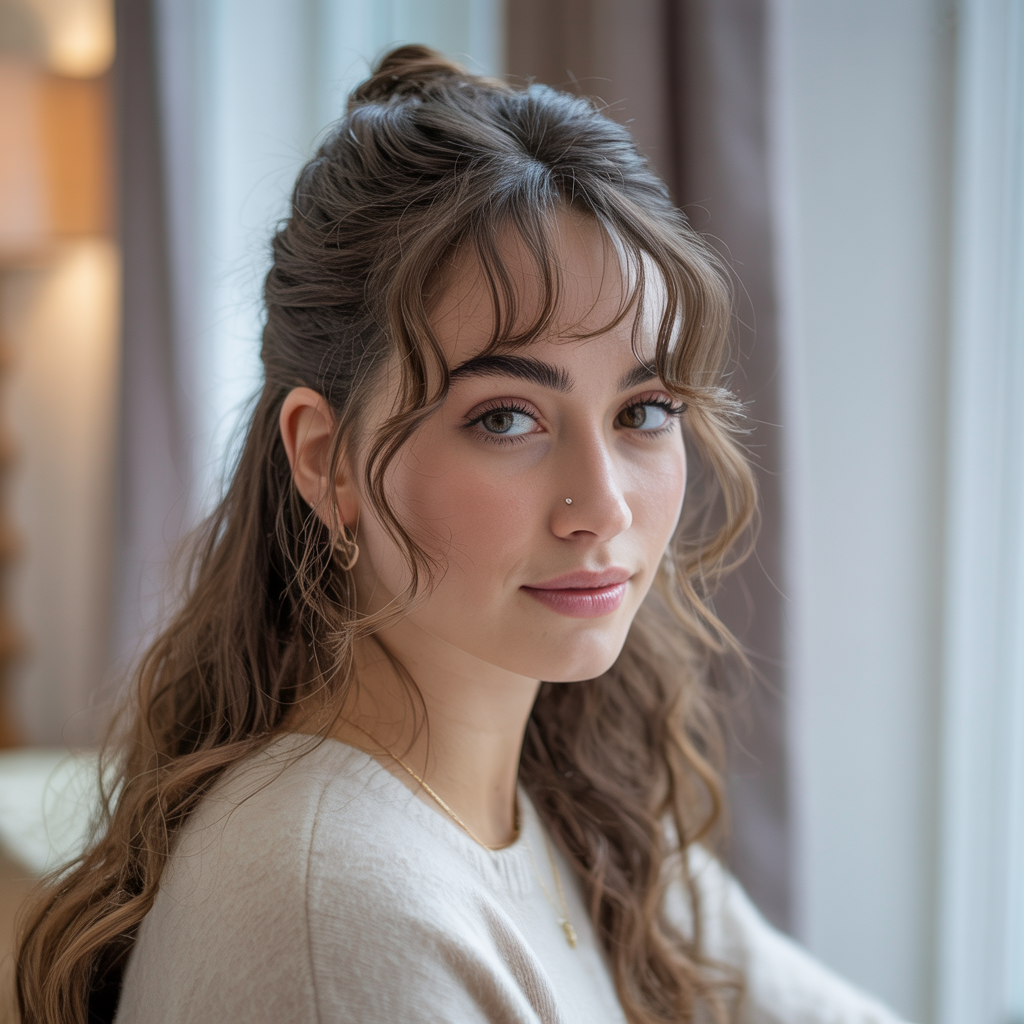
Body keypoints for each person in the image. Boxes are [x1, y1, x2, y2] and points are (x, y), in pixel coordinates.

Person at [14, 46, 907, 1024]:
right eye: (505, 418)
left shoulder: (576, 805)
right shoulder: (334, 913)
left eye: (643, 410)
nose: (601, 505)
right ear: (325, 458)